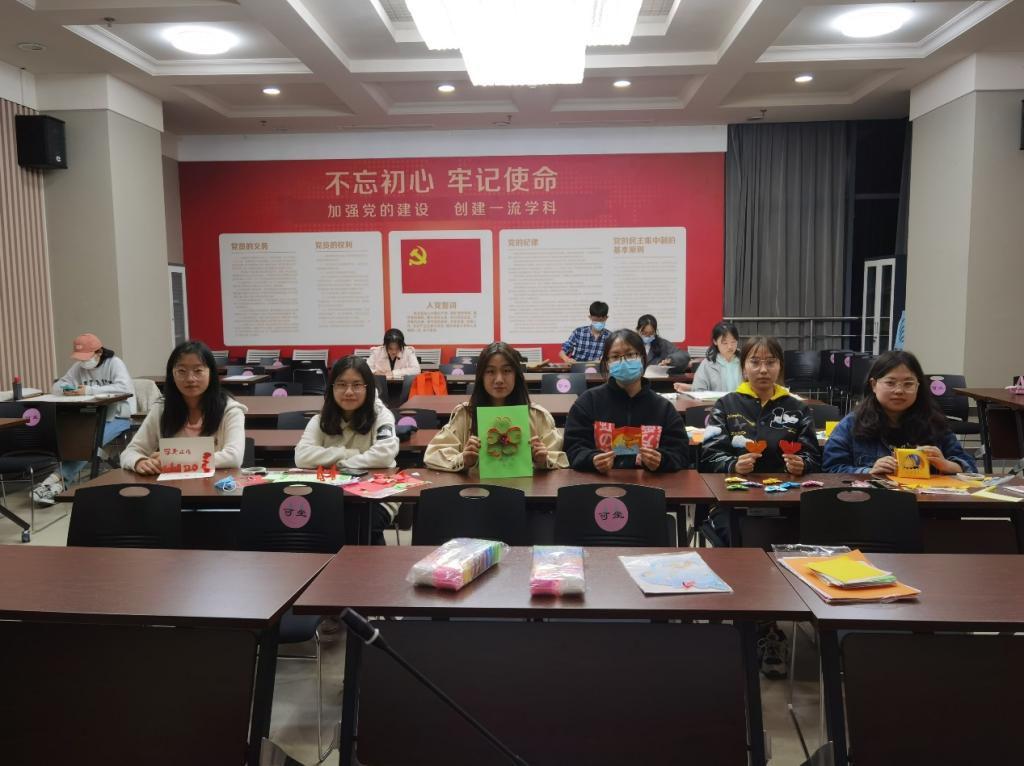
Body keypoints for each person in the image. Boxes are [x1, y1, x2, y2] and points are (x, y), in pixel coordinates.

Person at [295, 356, 399, 543]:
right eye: (341, 385)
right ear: (332, 388)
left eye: (357, 385)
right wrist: (349, 454)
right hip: (332, 495)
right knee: (309, 524)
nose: (349, 392)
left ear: (367, 387)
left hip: (377, 495)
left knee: (355, 526)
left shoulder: (382, 416)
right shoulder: (320, 420)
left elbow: (384, 455)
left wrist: (339, 465)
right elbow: (302, 456)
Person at [822, 350, 977, 475]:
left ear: (918, 386)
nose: (899, 391)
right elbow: (831, 469)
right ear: (874, 385)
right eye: (890, 383)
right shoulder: (852, 424)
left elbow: (970, 467)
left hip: (925, 501)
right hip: (875, 501)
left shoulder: (934, 423)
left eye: (908, 384)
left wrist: (946, 465)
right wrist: (868, 471)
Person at [425, 342, 568, 472]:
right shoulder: (466, 414)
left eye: (506, 371)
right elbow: (432, 455)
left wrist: (543, 461)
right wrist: (463, 459)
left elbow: (561, 460)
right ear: (481, 376)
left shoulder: (537, 416)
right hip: (476, 490)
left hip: (526, 490)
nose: (499, 379)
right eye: (490, 371)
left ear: (516, 375)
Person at [32, 333, 136, 504]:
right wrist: (66, 389)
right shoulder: (78, 367)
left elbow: (125, 387)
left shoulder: (114, 363)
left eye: (86, 357)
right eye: (80, 358)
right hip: (90, 416)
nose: (83, 362)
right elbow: (56, 387)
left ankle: (57, 481)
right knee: (73, 438)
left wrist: (89, 390)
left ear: (99, 352)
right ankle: (57, 484)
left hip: (118, 416)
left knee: (88, 442)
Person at [563, 329, 689, 472]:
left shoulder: (663, 408)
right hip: (601, 482)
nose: (623, 362)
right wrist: (591, 459)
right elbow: (573, 448)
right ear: (607, 363)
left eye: (630, 355)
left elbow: (681, 453)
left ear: (642, 358)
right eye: (615, 357)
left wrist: (662, 460)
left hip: (649, 483)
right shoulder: (588, 402)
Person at [700, 336, 820, 476]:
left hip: (786, 486)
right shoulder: (725, 405)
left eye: (770, 362)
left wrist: (803, 465)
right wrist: (733, 465)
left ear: (780, 366)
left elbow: (814, 458)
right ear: (744, 367)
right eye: (755, 362)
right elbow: (709, 457)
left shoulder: (799, 409)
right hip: (737, 486)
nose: (763, 370)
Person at [121, 341, 247, 474]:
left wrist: (175, 460)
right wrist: (139, 461)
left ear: (211, 373)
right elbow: (130, 452)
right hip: (172, 485)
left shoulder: (230, 410)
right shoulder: (161, 410)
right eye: (181, 371)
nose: (190, 378)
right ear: (172, 374)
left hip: (216, 484)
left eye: (198, 371)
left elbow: (234, 457)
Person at [675, 321, 741, 394]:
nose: (730, 346)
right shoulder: (707, 364)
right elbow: (699, 390)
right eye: (725, 343)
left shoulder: (744, 361)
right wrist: (691, 388)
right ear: (715, 341)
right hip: (717, 401)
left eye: (733, 342)